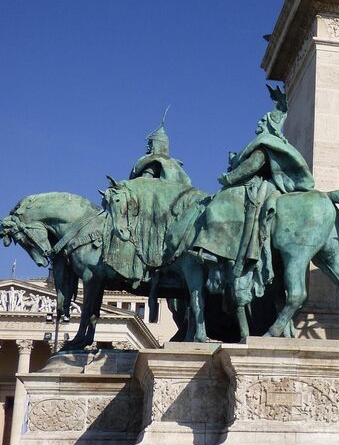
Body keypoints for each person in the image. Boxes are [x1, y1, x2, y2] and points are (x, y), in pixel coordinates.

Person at [196, 85, 315, 308]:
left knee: (218, 205)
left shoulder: (265, 142)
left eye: (263, 121)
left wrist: (228, 178)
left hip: (260, 187)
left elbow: (254, 165)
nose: (258, 124)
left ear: (270, 124)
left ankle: (214, 253)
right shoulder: (270, 142)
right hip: (264, 186)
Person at [130, 108, 192, 185]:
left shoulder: (153, 161)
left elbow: (143, 184)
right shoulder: (175, 164)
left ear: (155, 144)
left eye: (150, 143)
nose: (147, 146)